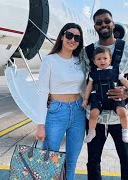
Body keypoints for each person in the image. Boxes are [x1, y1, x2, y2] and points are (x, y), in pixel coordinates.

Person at [80, 8, 128, 180]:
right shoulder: (88, 52)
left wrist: (127, 91)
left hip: (121, 117)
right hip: (96, 117)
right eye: (99, 22)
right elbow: (81, 80)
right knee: (93, 161)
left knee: (126, 160)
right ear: (95, 26)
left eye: (107, 21)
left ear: (113, 23)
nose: (103, 24)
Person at [36, 23, 86, 180]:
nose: (72, 40)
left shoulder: (80, 62)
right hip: (56, 112)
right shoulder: (50, 60)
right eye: (69, 35)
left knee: (71, 162)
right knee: (50, 160)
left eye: (77, 37)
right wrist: (40, 124)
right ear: (62, 36)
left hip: (78, 112)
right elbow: (42, 92)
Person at [82, 46, 128, 144]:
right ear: (94, 62)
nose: (102, 61)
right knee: (93, 114)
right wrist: (86, 99)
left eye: (105, 58)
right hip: (98, 98)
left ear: (110, 60)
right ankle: (92, 131)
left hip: (114, 98)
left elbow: (124, 81)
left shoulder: (115, 71)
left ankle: (125, 131)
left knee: (122, 112)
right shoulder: (93, 73)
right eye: (99, 59)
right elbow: (89, 87)